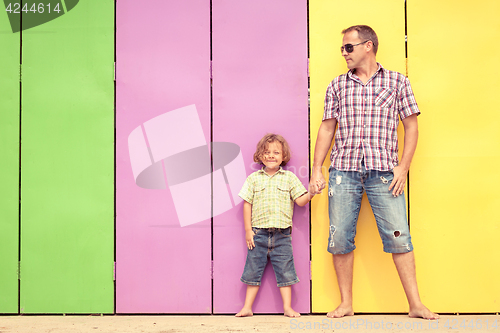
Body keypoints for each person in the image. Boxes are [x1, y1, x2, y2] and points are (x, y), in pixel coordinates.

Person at [309, 25, 439, 320]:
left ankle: (416, 305)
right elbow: (327, 127)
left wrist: (403, 167)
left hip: (384, 173)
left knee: (399, 236)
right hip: (344, 171)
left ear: (368, 46)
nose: (344, 53)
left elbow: (412, 126)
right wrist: (317, 168)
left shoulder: (397, 82)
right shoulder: (337, 85)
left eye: (348, 47)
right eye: (342, 48)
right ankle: (346, 303)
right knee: (340, 236)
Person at [235, 133, 315, 318]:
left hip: (282, 235)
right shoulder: (254, 179)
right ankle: (247, 307)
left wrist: (311, 193)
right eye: (267, 152)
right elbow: (247, 203)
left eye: (276, 152)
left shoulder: (289, 178)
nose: (271, 155)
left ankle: (287, 307)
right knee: (253, 270)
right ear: (260, 156)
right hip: (258, 234)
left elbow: (301, 201)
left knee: (285, 271)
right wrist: (248, 230)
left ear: (283, 156)